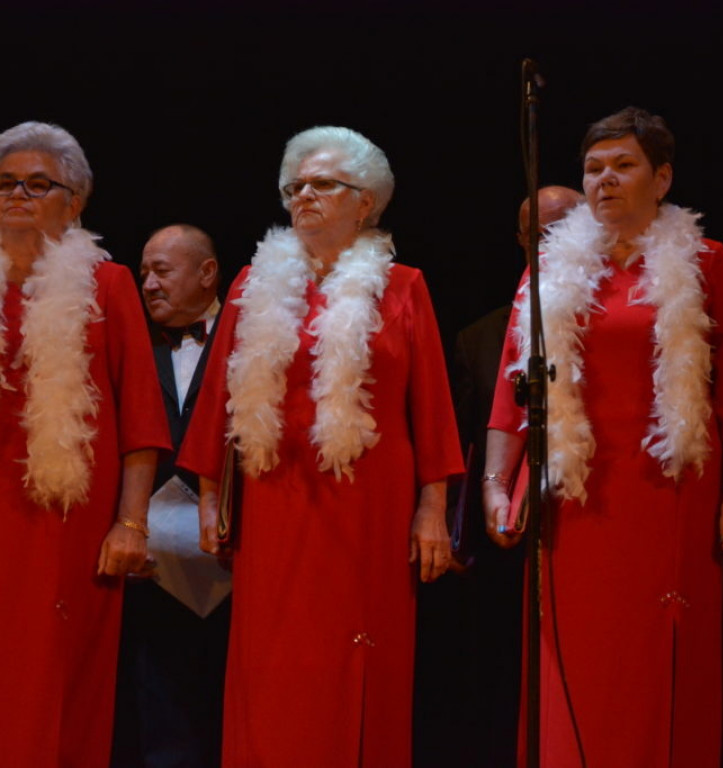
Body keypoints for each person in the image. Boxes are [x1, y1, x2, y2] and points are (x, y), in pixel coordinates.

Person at [483, 107, 723, 768]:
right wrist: (497, 484)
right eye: (593, 168)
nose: (605, 179)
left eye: (623, 165)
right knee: (577, 660)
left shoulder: (707, 262)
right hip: (572, 499)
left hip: (670, 493)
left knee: (660, 661)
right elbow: (510, 389)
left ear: (662, 178)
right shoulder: (546, 269)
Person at [177, 125, 463, 767]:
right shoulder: (252, 283)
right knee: (273, 665)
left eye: (322, 184)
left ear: (366, 202)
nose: (302, 195)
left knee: (360, 659)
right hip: (275, 501)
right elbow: (216, 399)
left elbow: (432, 408)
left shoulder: (404, 286)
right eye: (294, 186)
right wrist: (211, 499)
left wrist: (433, 508)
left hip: (372, 509)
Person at [0, 121, 169, 768]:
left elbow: (142, 418)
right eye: (5, 182)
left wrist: (131, 522)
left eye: (37, 184)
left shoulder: (108, 283)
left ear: (75, 203)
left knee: (57, 682)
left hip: (70, 520)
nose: (17, 194)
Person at [414, 185, 582, 768]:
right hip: (506, 539)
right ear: (520, 241)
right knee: (502, 675)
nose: (549, 242)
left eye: (563, 227)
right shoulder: (481, 336)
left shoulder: (624, 314)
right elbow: (459, 440)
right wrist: (455, 527)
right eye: (537, 234)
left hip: (593, 522)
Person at [111, 224, 230, 768]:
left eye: (161, 271)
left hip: (236, 559)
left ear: (208, 273)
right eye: (143, 274)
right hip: (152, 566)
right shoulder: (128, 340)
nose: (148, 284)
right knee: (161, 718)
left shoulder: (257, 335)